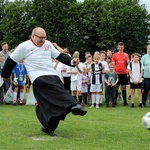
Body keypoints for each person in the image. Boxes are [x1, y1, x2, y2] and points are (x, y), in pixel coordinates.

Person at [1, 27, 87, 136]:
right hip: (38, 77)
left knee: (51, 105)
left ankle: (49, 127)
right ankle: (74, 105)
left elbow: (59, 56)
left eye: (44, 37)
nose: (43, 40)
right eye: (40, 38)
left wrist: (71, 61)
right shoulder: (23, 46)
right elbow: (10, 61)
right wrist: (5, 75)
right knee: (59, 94)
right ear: (33, 36)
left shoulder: (48, 44)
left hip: (52, 75)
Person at [112, 42, 130, 106]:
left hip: (124, 73)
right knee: (116, 88)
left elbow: (128, 63)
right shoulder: (114, 55)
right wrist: (114, 73)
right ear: (117, 47)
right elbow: (113, 64)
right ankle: (114, 101)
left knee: (123, 88)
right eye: (119, 47)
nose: (120, 48)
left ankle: (125, 102)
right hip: (117, 73)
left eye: (121, 47)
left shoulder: (126, 55)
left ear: (123, 47)